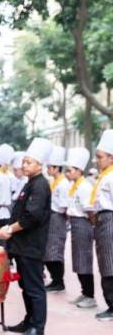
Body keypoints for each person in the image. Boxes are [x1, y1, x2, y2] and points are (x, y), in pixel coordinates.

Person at [0, 137, 53, 335]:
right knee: (25, 287)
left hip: (31, 244)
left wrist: (9, 229)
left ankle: (38, 328)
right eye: (24, 161)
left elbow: (31, 216)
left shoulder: (40, 185)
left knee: (34, 288)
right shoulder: (30, 183)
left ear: (40, 165)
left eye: (29, 162)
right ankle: (29, 320)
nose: (24, 165)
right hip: (22, 245)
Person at [64, 147, 96, 309]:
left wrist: (92, 226)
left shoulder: (84, 187)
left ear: (78, 171)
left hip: (83, 224)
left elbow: (89, 210)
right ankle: (84, 292)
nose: (67, 173)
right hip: (75, 224)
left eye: (69, 170)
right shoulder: (75, 185)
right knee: (78, 259)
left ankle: (90, 296)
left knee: (84, 259)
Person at [89, 129, 113, 321]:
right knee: (105, 263)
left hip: (110, 220)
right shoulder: (104, 176)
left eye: (100, 157)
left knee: (110, 264)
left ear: (111, 158)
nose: (98, 160)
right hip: (102, 221)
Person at [44, 146, 70, 292]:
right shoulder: (54, 182)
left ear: (55, 168)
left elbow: (63, 206)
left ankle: (58, 281)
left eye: (49, 167)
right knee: (49, 250)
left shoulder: (63, 184)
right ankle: (55, 279)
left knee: (55, 250)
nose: (47, 170)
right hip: (51, 217)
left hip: (57, 218)